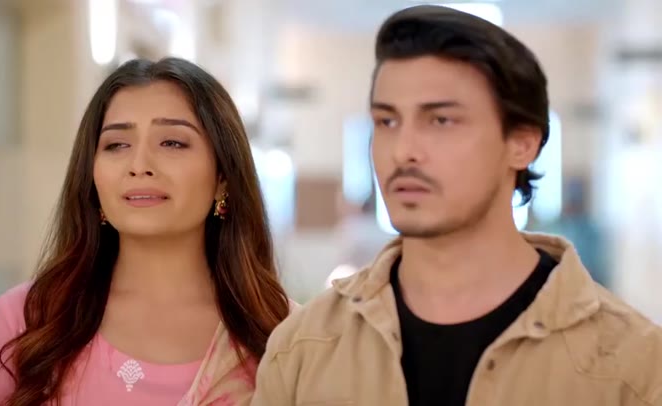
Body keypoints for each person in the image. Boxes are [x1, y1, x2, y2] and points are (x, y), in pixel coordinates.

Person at [251, 5, 662, 406]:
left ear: (522, 143)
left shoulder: (633, 365)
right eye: (387, 121)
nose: (403, 151)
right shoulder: (304, 349)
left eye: (441, 120)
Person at [0, 57, 290, 405]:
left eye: (172, 143)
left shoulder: (286, 337)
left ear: (223, 177)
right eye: (117, 145)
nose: (138, 165)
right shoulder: (26, 323)